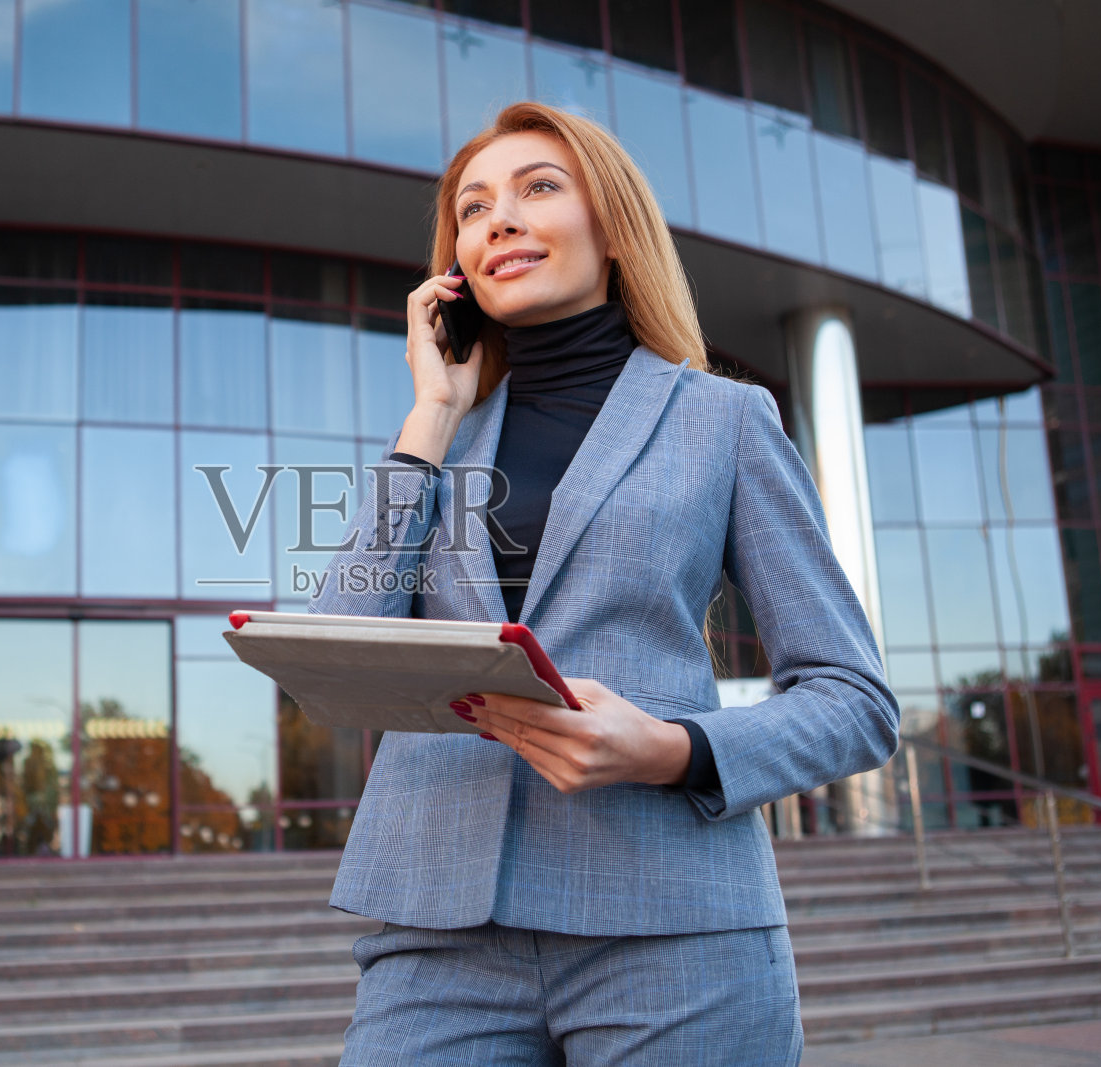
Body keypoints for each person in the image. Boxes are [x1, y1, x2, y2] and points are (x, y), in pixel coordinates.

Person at [304, 101, 899, 1065]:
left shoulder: (727, 421)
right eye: (473, 207)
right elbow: (339, 646)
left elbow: (856, 701)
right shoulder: (441, 439)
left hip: (669, 921)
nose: (498, 218)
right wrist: (431, 410)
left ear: (614, 228)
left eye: (540, 188)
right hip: (437, 932)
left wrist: (672, 749)